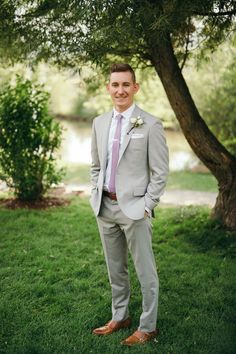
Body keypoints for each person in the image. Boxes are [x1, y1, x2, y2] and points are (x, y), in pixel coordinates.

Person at [90, 63, 169, 346]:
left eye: (126, 84)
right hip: (105, 208)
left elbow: (160, 172)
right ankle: (119, 316)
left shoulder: (150, 124)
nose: (120, 90)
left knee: (145, 271)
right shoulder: (99, 123)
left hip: (135, 209)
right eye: (115, 84)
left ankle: (148, 326)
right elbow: (96, 166)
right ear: (108, 87)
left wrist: (147, 205)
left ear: (135, 87)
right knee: (116, 270)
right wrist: (95, 192)